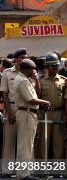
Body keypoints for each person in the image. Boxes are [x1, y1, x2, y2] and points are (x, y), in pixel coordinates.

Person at [15, 58, 50, 180]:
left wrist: (35, 79)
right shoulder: (22, 81)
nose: (34, 71)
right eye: (32, 69)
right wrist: (45, 102)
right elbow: (30, 99)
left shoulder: (26, 79)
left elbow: (36, 93)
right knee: (24, 145)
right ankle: (23, 174)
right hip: (26, 112)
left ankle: (26, 172)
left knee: (28, 144)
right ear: (27, 69)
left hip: (29, 113)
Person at [0, 48, 27, 176]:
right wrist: (9, 112)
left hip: (25, 110)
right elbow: (4, 94)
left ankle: (24, 171)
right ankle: (7, 170)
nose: (23, 60)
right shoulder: (7, 73)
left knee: (24, 142)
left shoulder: (29, 72)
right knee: (9, 141)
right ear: (15, 59)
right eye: (21, 57)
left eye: (25, 57)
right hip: (11, 108)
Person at [38, 53, 67, 160]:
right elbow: (37, 98)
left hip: (59, 113)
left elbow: (66, 100)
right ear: (47, 67)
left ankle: (57, 169)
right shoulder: (40, 81)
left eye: (56, 65)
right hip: (45, 113)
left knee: (58, 143)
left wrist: (65, 114)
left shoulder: (64, 80)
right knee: (43, 142)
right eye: (52, 66)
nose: (55, 68)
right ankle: (43, 170)